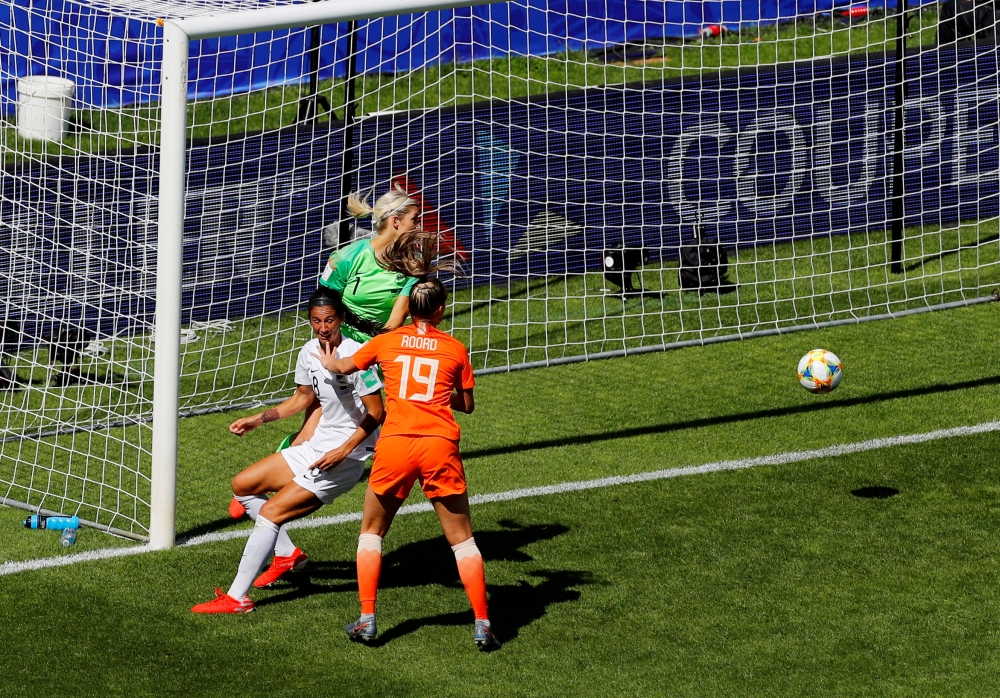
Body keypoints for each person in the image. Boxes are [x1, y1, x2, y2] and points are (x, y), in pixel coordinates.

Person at [230, 183, 450, 518]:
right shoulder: (350, 256)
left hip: (370, 351)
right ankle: (263, 486)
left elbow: (394, 320)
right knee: (314, 419)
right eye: (414, 219)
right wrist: (331, 344)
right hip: (335, 344)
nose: (419, 226)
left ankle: (269, 489)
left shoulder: (411, 264)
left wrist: (370, 346)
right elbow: (324, 302)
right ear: (395, 221)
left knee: (357, 419)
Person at [314, 277, 500, 651]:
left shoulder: (387, 341)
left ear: (410, 309)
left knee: (371, 532)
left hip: (396, 444)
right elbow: (466, 404)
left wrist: (330, 357)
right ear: (441, 310)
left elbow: (345, 367)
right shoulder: (455, 349)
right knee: (462, 541)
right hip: (438, 445)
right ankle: (482, 623)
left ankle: (367, 619)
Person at [192, 288, 384, 613]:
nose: (323, 327)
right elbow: (302, 399)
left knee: (270, 513)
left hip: (343, 458)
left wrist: (343, 450)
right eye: (316, 320)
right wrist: (258, 419)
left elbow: (377, 412)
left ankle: (237, 598)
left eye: (329, 320)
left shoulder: (357, 356)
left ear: (341, 319)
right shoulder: (309, 352)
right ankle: (287, 554)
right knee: (243, 486)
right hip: (317, 447)